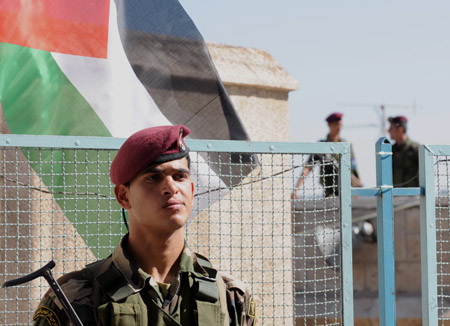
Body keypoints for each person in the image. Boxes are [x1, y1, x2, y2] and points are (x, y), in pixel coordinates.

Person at [33, 125, 257, 326]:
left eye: (179, 176)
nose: (171, 188)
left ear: (192, 189)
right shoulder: (75, 295)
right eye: (153, 178)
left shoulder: (230, 296)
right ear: (123, 196)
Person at [292, 112, 363, 199]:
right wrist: (296, 188)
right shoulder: (322, 146)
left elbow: (353, 166)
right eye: (336, 124)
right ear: (329, 125)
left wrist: (358, 188)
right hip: (329, 191)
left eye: (340, 124)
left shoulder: (346, 145)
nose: (339, 127)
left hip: (347, 189)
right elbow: (308, 167)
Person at [388, 115, 419, 187]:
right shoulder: (391, 150)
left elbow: (429, 171)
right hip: (395, 195)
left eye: (391, 128)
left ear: (400, 130)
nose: (388, 131)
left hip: (412, 196)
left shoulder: (415, 148)